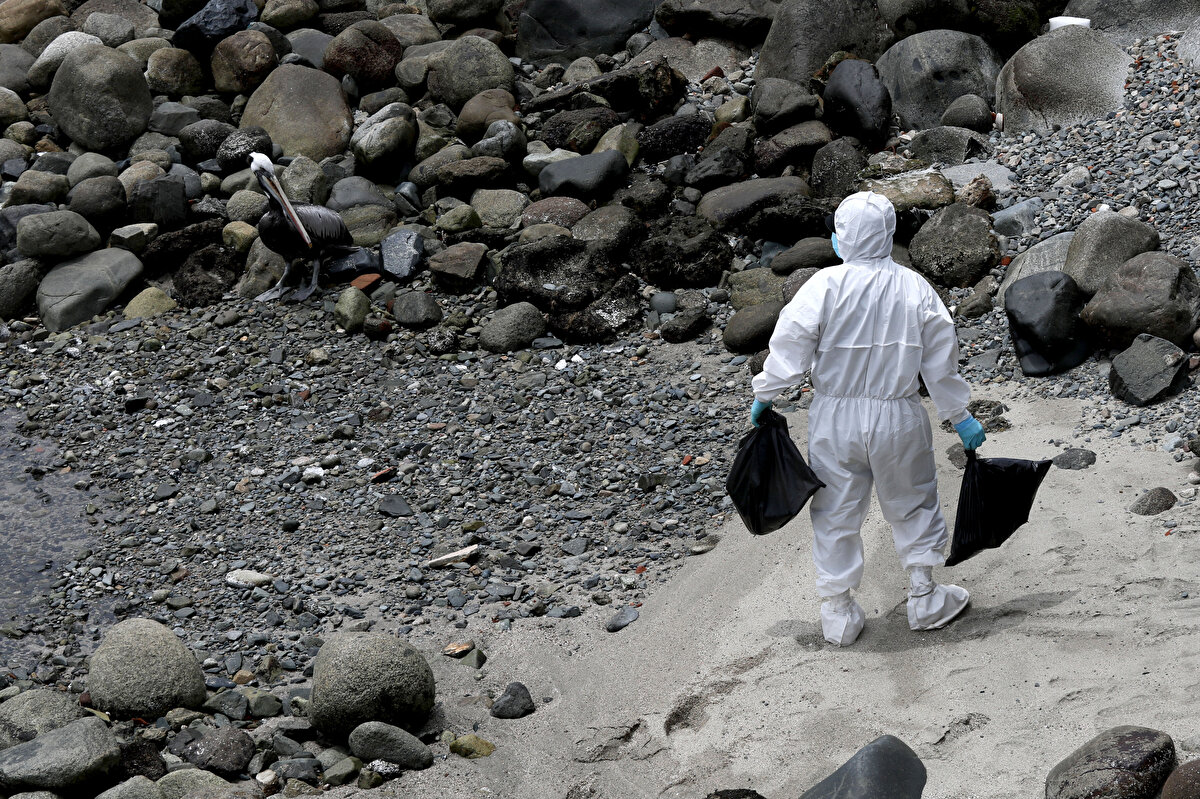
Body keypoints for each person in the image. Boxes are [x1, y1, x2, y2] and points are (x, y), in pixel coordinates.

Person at [749, 191, 986, 647]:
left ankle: (837, 612)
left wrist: (767, 395)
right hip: (897, 413)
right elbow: (940, 365)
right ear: (889, 234)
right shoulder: (915, 288)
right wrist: (960, 416)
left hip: (834, 417)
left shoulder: (821, 286)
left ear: (841, 240)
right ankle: (924, 597)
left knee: (834, 511)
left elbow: (791, 348)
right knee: (913, 500)